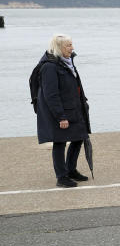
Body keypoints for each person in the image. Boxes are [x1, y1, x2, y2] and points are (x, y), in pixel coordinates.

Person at [36, 34, 91, 188]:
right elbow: (50, 94)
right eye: (68, 45)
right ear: (59, 48)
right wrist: (60, 116)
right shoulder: (49, 66)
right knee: (60, 142)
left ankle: (71, 169)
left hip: (73, 108)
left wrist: (83, 103)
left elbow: (75, 85)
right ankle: (61, 177)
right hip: (60, 112)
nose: (72, 48)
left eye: (71, 44)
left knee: (78, 137)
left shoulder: (68, 62)